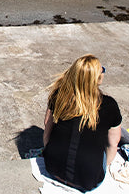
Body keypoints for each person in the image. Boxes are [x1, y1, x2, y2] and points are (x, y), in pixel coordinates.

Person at [43, 55, 123, 192]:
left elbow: (47, 125)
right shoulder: (109, 105)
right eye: (102, 70)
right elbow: (113, 144)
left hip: (52, 169)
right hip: (89, 181)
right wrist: (102, 166)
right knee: (113, 136)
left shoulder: (59, 95)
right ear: (97, 79)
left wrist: (47, 150)